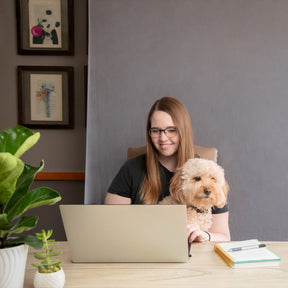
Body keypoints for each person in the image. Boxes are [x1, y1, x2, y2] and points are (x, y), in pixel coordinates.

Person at [105, 97, 230, 243]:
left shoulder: (207, 173)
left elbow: (224, 237)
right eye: (156, 130)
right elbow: (111, 226)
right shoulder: (131, 169)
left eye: (171, 130)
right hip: (142, 251)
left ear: (183, 131)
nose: (163, 138)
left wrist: (204, 236)